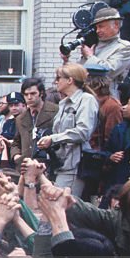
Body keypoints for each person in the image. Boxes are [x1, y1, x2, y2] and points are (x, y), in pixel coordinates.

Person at [36, 64, 98, 196]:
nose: (55, 81)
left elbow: (83, 131)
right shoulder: (63, 103)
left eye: (59, 78)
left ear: (70, 80)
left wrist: (53, 139)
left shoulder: (87, 100)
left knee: (64, 206)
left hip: (74, 164)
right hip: (59, 163)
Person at [69, 7, 130, 99]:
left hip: (105, 99)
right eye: (96, 27)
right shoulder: (94, 44)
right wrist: (67, 61)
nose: (98, 31)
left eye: (101, 26)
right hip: (84, 96)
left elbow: (109, 71)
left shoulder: (124, 47)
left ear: (116, 25)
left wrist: (90, 56)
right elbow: (80, 72)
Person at [14, 77, 58, 165]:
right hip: (25, 165)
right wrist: (16, 155)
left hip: (48, 164)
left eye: (33, 93)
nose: (29, 97)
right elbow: (16, 142)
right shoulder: (20, 118)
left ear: (41, 93)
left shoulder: (56, 111)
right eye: (26, 94)